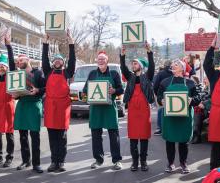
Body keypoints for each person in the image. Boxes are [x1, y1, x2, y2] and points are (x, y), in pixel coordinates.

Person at [83, 50, 125, 169]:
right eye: (99, 59)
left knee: (114, 135)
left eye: (103, 59)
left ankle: (117, 160)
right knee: (96, 135)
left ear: (107, 61)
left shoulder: (114, 74)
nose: (101, 61)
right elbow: (85, 89)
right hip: (95, 109)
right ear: (97, 61)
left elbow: (121, 89)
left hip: (109, 109)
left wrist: (114, 91)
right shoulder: (92, 74)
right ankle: (98, 160)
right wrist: (87, 94)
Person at [156, 58, 199, 174]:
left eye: (177, 64)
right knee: (169, 140)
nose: (173, 65)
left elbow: (198, 98)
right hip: (169, 118)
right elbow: (159, 96)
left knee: (183, 141)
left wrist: (192, 100)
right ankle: (170, 164)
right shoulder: (165, 82)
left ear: (183, 68)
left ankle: (183, 163)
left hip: (185, 118)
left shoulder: (190, 83)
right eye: (173, 64)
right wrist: (161, 101)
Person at [8, 41, 44, 172]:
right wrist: (15, 95)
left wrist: (38, 90)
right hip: (22, 105)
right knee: (23, 136)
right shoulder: (18, 75)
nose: (18, 62)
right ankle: (25, 161)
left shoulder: (38, 73)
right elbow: (11, 65)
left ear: (28, 60)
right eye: (17, 61)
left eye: (21, 59)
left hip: (34, 105)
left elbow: (45, 88)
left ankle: (36, 163)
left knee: (35, 136)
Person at [41, 39, 76, 173]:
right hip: (50, 107)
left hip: (62, 108)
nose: (57, 61)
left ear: (63, 62)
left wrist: (71, 44)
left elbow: (72, 60)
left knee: (62, 137)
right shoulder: (48, 72)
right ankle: (53, 161)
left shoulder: (67, 73)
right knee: (52, 136)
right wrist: (45, 43)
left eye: (59, 60)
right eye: (55, 60)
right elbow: (44, 58)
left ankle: (61, 162)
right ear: (52, 63)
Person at [120, 43, 154, 172]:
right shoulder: (130, 77)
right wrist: (123, 55)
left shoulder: (148, 76)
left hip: (144, 110)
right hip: (133, 110)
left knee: (144, 137)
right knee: (133, 137)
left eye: (135, 63)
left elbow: (152, 66)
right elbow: (123, 68)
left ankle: (143, 162)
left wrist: (149, 51)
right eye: (132, 63)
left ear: (141, 66)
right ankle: (134, 162)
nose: (133, 65)